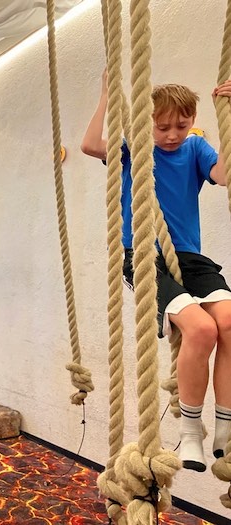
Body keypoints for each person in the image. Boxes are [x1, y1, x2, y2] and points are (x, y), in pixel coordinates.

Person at [81, 73, 231, 472]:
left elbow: (224, 175)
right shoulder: (136, 150)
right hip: (145, 254)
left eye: (180, 126)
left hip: (188, 256)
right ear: (146, 123)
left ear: (192, 120)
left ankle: (225, 428)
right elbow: (90, 145)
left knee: (229, 322)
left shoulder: (195, 147)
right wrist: (107, 97)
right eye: (162, 127)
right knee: (201, 330)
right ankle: (190, 434)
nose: (171, 135)